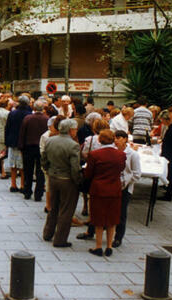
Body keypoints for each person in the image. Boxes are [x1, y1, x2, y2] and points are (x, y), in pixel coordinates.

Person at [83, 130, 126, 256]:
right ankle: (109, 246)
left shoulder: (95, 154)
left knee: (98, 219)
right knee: (112, 219)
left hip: (98, 189)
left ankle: (98, 246)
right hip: (114, 189)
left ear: (99, 140)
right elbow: (121, 169)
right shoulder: (121, 155)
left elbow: (88, 173)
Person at [42, 119, 81, 247]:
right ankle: (60, 239)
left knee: (54, 207)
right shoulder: (73, 145)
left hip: (53, 177)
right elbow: (75, 168)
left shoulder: (50, 140)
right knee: (66, 210)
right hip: (67, 180)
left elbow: (44, 159)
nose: (76, 132)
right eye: (75, 129)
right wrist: (78, 180)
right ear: (70, 130)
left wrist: (49, 170)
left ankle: (48, 233)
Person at [112, 130, 141, 248]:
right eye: (115, 138)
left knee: (121, 213)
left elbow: (137, 173)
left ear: (125, 139)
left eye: (119, 138)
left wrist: (126, 182)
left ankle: (118, 237)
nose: (116, 140)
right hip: (112, 184)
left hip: (125, 187)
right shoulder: (113, 151)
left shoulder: (133, 154)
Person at [18, 100, 49, 201]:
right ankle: (38, 193)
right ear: (43, 108)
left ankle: (27, 191)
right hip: (41, 148)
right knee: (40, 171)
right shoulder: (46, 119)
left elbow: (22, 133)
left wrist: (21, 146)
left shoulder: (28, 118)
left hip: (29, 147)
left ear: (34, 108)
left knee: (28, 170)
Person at [4, 96, 32, 193]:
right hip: (24, 142)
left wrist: (6, 142)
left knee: (13, 164)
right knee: (22, 165)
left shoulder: (12, 113)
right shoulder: (29, 114)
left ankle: (13, 184)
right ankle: (22, 184)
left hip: (12, 141)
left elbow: (7, 128)